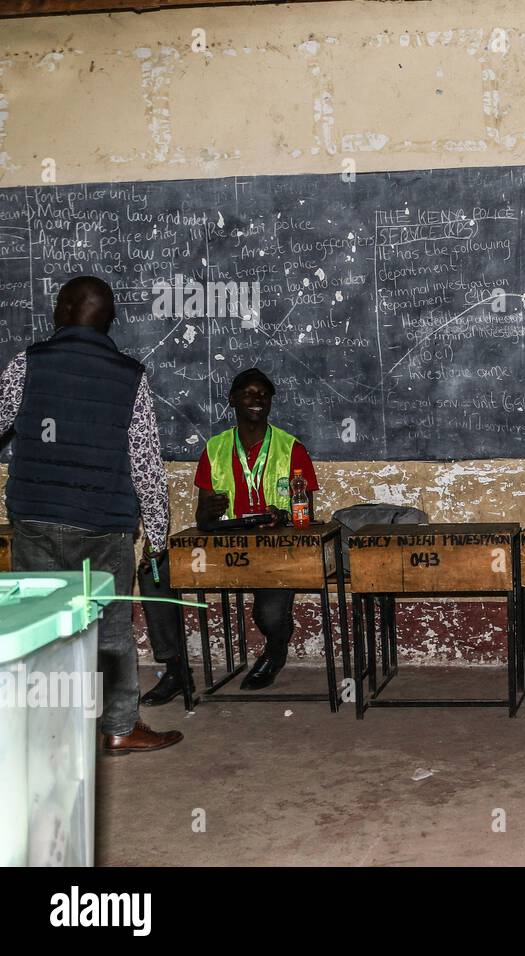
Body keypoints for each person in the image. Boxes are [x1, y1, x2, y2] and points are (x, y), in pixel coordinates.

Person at [0, 276, 183, 754]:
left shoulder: (28, 363)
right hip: (107, 523)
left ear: (63, 309)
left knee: (39, 628)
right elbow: (145, 464)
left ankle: (40, 737)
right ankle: (120, 727)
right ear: (109, 322)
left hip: (37, 518)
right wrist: (158, 537)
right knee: (112, 626)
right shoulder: (131, 376)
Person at [139, 367, 318, 698]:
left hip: (274, 552)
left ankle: (276, 649)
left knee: (268, 614)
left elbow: (305, 516)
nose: (257, 399)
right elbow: (202, 520)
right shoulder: (216, 448)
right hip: (226, 548)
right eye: (249, 393)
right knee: (155, 573)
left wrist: (285, 518)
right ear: (232, 400)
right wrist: (208, 513)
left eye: (264, 394)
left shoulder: (292, 448)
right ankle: (176, 669)